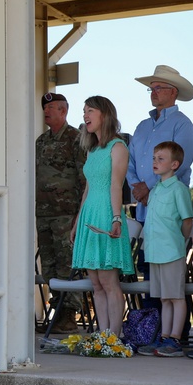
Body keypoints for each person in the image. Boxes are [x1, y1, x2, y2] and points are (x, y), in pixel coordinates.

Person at [126, 65, 193, 314]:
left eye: (158, 87)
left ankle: (175, 335)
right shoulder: (142, 126)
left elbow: (180, 163)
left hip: (168, 212)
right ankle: (153, 330)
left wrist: (149, 189)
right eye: (151, 88)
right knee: (149, 272)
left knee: (172, 277)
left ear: (173, 92)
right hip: (144, 211)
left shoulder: (183, 124)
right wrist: (137, 186)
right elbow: (129, 161)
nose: (153, 92)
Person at [71, 96, 135, 336]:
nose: (85, 115)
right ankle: (102, 334)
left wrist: (117, 218)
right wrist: (78, 221)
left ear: (104, 115)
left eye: (90, 110)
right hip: (89, 214)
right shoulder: (92, 150)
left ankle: (114, 337)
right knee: (96, 284)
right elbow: (87, 188)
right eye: (84, 111)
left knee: (109, 282)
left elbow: (116, 185)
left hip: (107, 212)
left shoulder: (117, 147)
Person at [133, 141, 193, 357]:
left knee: (176, 297)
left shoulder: (178, 189)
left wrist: (180, 241)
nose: (155, 162)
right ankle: (164, 337)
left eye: (161, 159)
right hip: (155, 252)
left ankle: (175, 339)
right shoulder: (156, 189)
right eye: (154, 158)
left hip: (172, 251)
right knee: (164, 298)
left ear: (175, 164)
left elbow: (187, 220)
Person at [35, 93, 86, 334]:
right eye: (45, 107)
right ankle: (57, 311)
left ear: (64, 111)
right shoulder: (41, 141)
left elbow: (83, 177)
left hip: (67, 214)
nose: (47, 111)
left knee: (68, 264)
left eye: (52, 108)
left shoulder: (76, 139)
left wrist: (80, 214)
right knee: (50, 267)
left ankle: (69, 315)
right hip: (44, 213)